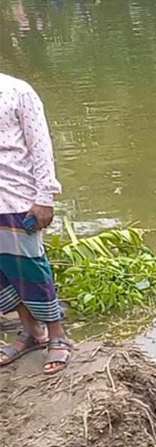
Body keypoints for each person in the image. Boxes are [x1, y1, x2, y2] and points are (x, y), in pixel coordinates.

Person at [0, 72, 71, 373]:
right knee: (2, 276)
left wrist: (45, 197)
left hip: (16, 197)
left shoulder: (16, 91)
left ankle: (57, 335)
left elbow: (41, 146)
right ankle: (31, 332)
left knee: (30, 268)